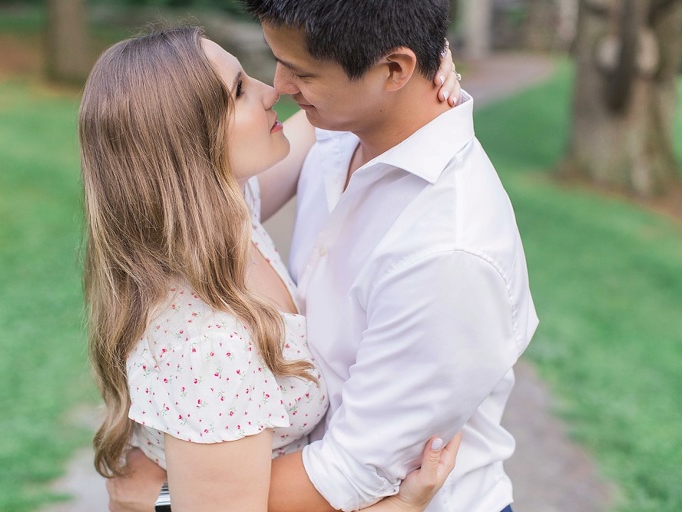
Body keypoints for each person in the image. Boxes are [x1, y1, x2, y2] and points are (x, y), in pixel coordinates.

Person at [110, 1, 539, 511]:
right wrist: (422, 42)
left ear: (393, 71)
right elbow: (189, 190)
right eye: (274, 62)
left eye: (301, 72)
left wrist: (162, 498)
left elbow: (349, 474)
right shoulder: (338, 128)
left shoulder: (448, 252)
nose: (279, 88)